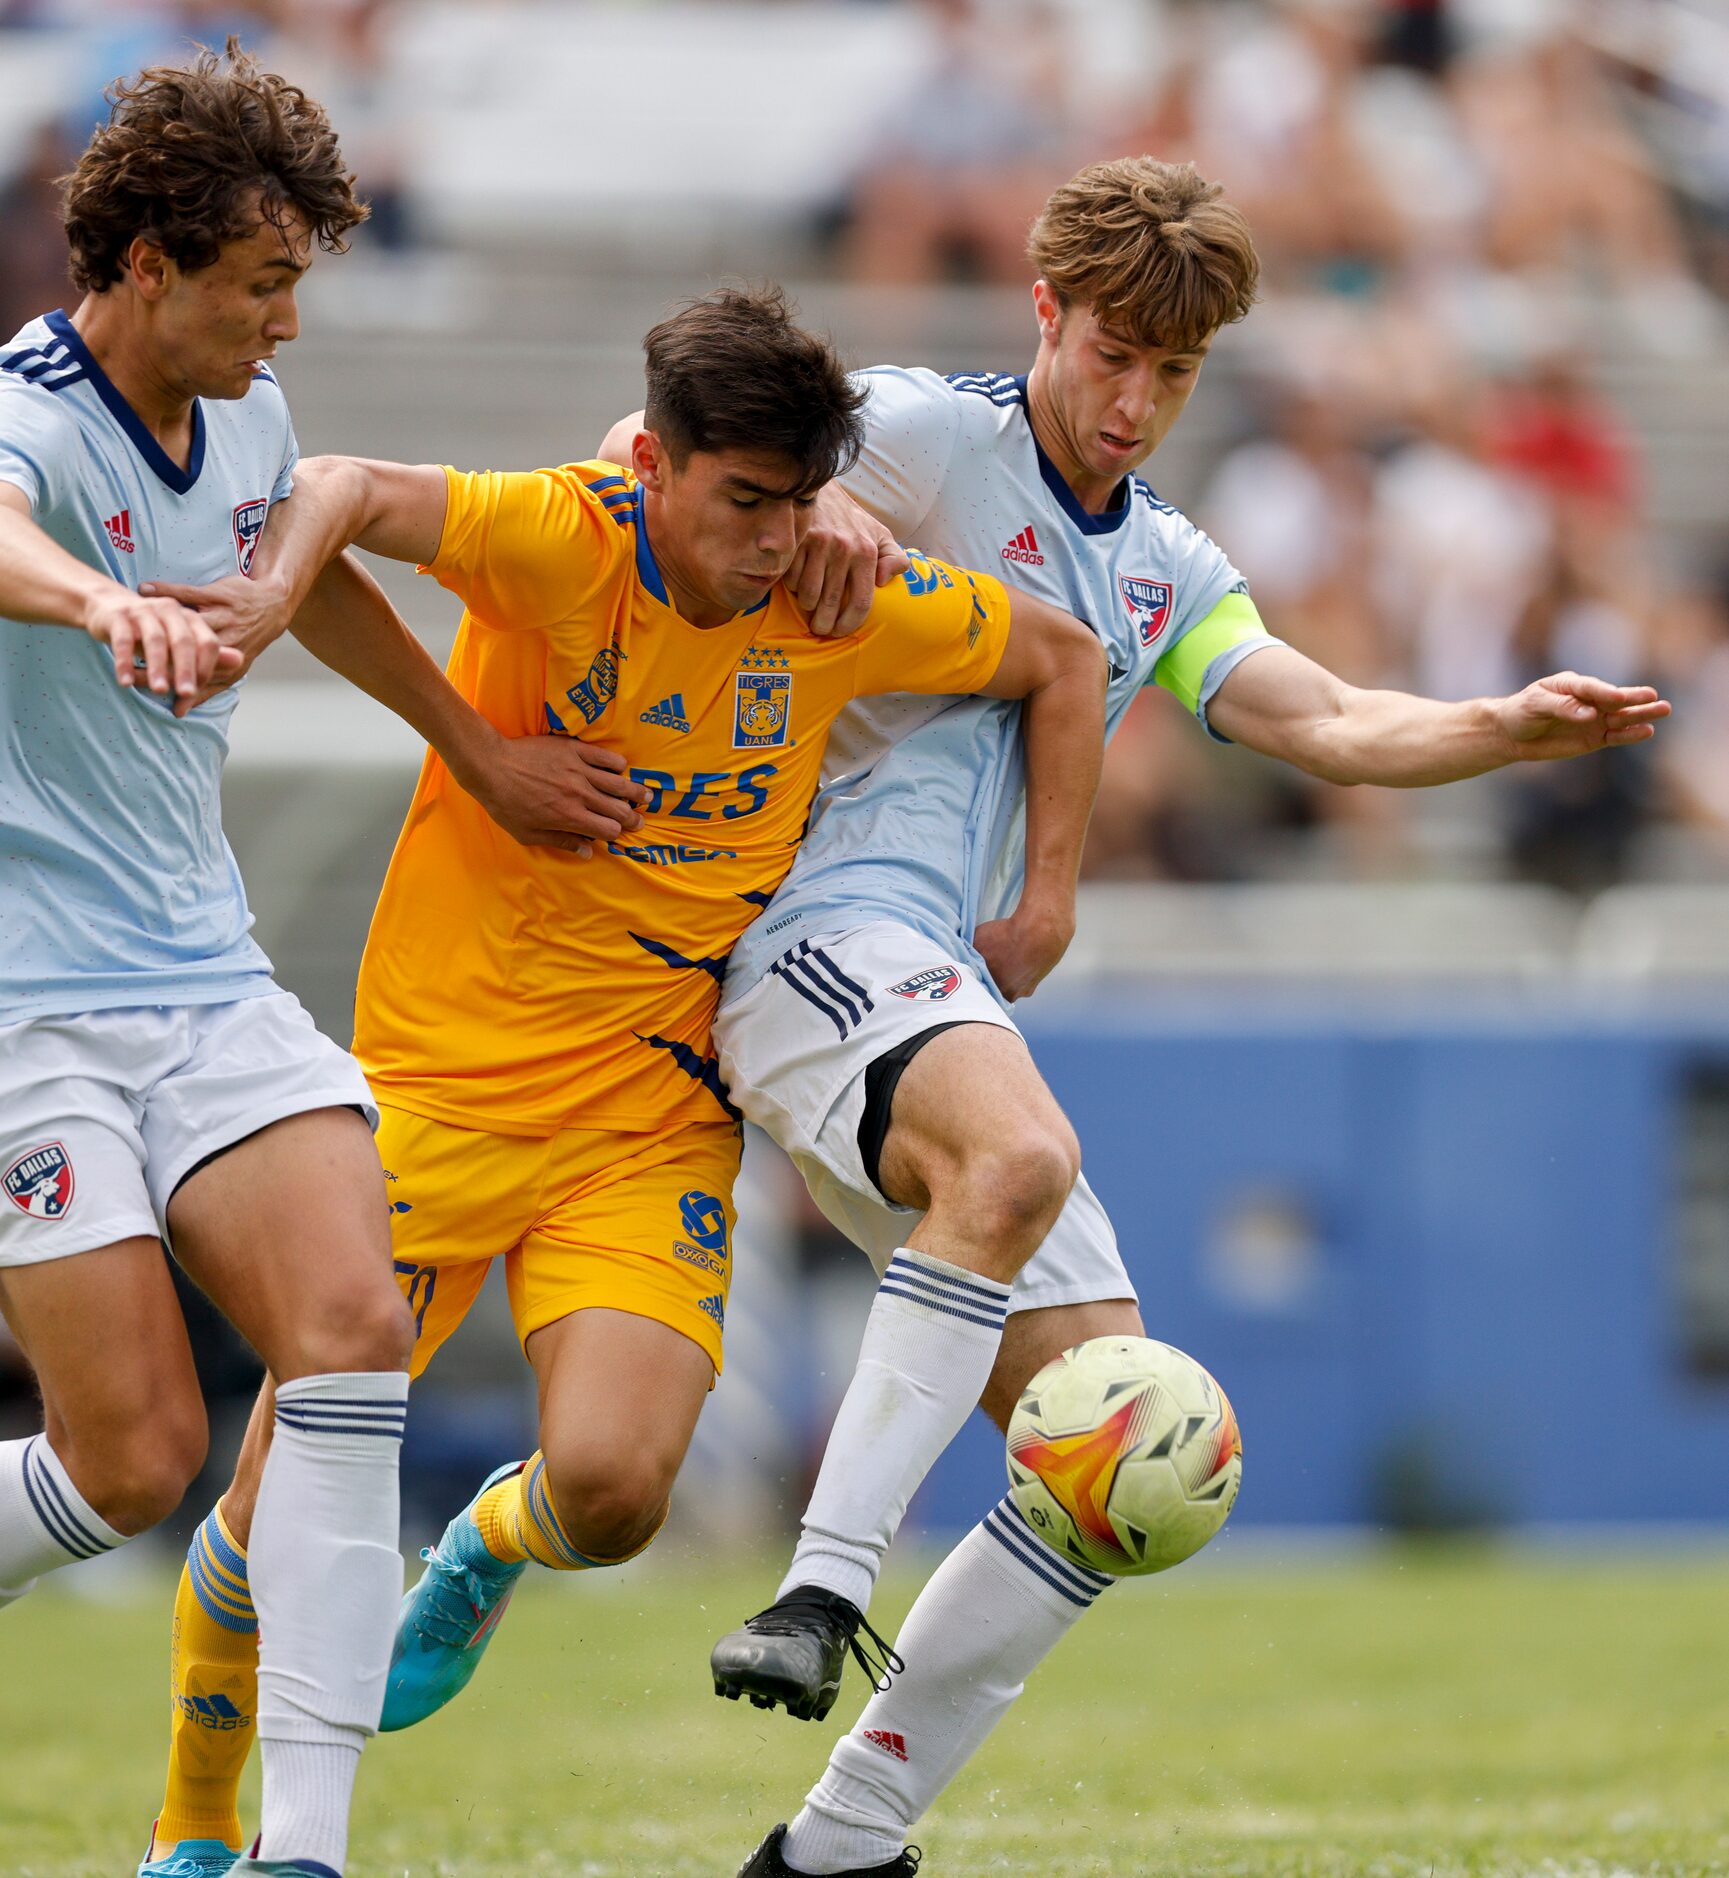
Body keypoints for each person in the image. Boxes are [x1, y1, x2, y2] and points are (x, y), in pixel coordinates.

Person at [597, 159, 1663, 1878]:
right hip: (801, 934)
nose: (1136, 400)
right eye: (1114, 354)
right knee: (1022, 1153)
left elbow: (1323, 715)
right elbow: (658, 450)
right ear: (1046, 316)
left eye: (1173, 372)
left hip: (924, 985)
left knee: (1125, 1446)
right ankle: (815, 1583)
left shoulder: (1159, 559)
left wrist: (1501, 724)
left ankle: (837, 1846)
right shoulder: (927, 433)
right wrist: (824, 507)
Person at [0, 43, 639, 1878]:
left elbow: (316, 574)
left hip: (196, 975)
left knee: (353, 1328)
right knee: (128, 1462)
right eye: (261, 282)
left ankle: (301, 1850)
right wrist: (92, 592)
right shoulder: (8, 412)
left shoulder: (257, 424)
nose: (286, 322)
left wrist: (473, 741)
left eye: (297, 282)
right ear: (146, 264)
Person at [129, 284, 1111, 1878]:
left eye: (800, 502)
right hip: (438, 1088)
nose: (777, 541)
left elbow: (1061, 659)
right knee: (271, 1487)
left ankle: (481, 1548)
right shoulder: (562, 538)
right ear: (653, 463)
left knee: (613, 1491)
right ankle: (191, 1820)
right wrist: (474, 747)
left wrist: (1048, 895)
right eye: (742, 501)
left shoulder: (836, 597)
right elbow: (338, 495)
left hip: (647, 1110)